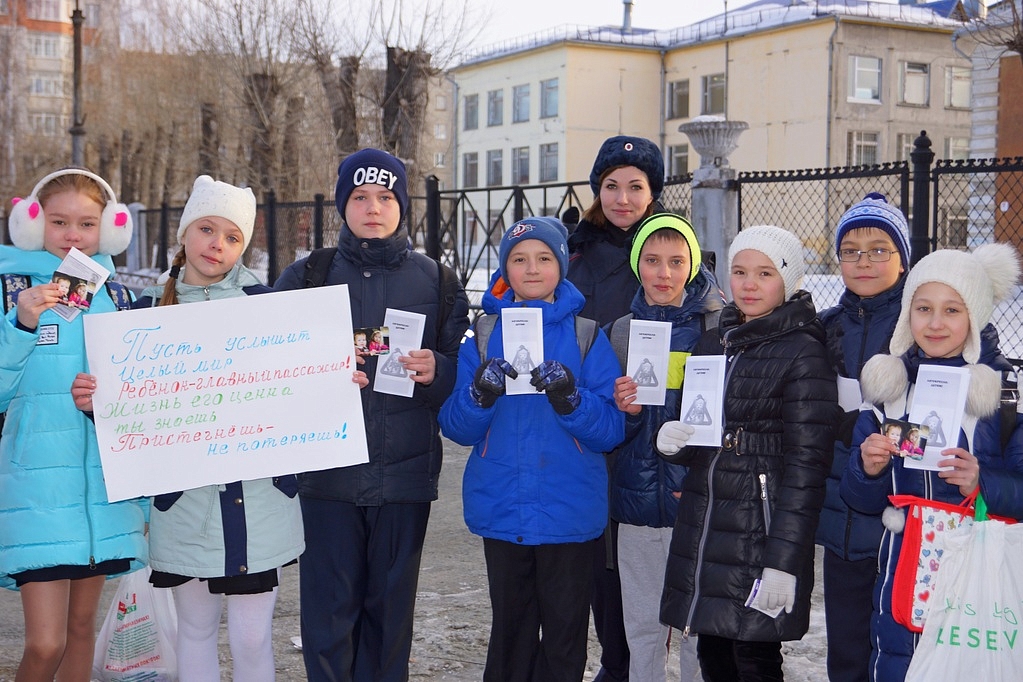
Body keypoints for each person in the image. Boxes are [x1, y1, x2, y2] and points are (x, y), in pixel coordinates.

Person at [72, 175, 304, 681]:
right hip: (183, 506)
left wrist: (333, 380)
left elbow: (299, 390)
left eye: (232, 236)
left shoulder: (269, 307)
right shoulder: (146, 311)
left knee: (252, 637)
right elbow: (127, 411)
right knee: (194, 631)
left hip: (258, 504)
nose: (216, 244)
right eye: (206, 229)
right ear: (184, 233)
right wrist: (96, 403)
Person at [273, 148, 469, 682]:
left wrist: (438, 371)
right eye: (360, 197)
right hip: (327, 480)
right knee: (328, 620)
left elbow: (460, 374)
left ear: (402, 205)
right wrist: (318, 370)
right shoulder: (306, 276)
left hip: (404, 479)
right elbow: (269, 371)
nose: (373, 208)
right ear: (343, 205)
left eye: (385, 196)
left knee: (389, 621)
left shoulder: (438, 281)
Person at [439, 216, 624, 682]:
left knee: (564, 640)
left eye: (544, 258)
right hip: (503, 508)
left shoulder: (586, 335)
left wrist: (572, 399)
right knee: (511, 636)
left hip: (569, 513)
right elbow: (456, 427)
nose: (533, 268)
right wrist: (479, 394)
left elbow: (610, 430)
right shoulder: (483, 335)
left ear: (561, 265)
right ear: (506, 269)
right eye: (519, 259)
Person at [657, 225, 838, 681]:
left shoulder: (803, 353)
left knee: (754, 659)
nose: (749, 284)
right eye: (740, 271)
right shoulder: (713, 341)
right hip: (707, 527)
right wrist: (677, 444)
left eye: (765, 273)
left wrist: (783, 562)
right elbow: (701, 430)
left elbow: (806, 469)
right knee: (714, 654)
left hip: (760, 532)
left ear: (788, 280)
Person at [840, 243, 1023, 682]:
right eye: (923, 308)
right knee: (896, 667)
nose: (935, 323)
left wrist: (982, 483)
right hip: (901, 575)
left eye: (952, 310)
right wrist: (867, 468)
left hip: (978, 580)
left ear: (974, 315)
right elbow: (858, 498)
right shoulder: (889, 390)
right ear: (908, 315)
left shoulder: (1005, 394)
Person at [0, 168, 146, 681]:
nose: (72, 235)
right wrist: (21, 324)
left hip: (104, 492)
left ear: (109, 229)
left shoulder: (120, 297)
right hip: (38, 489)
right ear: (31, 222)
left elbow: (140, 399)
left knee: (81, 629)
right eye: (58, 221)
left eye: (86, 224)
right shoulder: (11, 290)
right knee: (46, 643)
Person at [608, 213, 723, 682]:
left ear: (693, 266)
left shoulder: (719, 328)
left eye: (677, 261)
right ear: (637, 265)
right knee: (642, 628)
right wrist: (623, 410)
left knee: (699, 628)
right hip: (637, 503)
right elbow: (610, 428)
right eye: (652, 260)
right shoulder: (621, 330)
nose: (664, 273)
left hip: (696, 505)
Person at [567, 134, 664, 681]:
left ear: (653, 193)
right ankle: (614, 664)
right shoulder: (572, 254)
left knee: (641, 562)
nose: (622, 198)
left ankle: (632, 664)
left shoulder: (671, 249)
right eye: (611, 186)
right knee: (599, 562)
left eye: (635, 186)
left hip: (652, 434)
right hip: (587, 424)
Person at [813, 192, 911, 682]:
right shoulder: (826, 327)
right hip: (841, 520)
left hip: (904, 522)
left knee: (900, 649)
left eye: (878, 250)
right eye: (850, 251)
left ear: (902, 259)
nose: (863, 261)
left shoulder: (920, 324)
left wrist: (869, 427)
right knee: (847, 650)